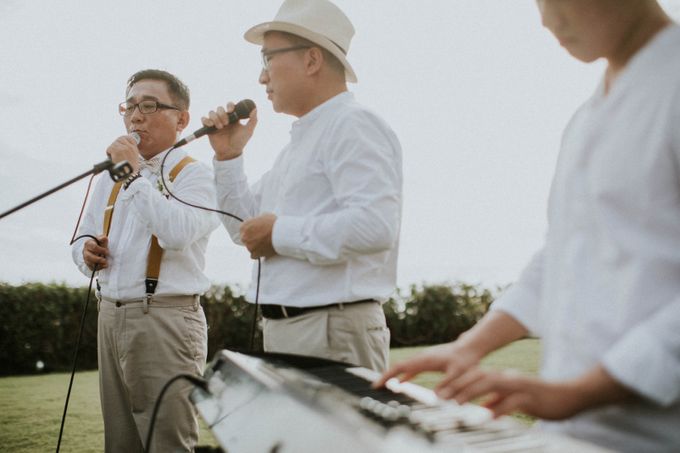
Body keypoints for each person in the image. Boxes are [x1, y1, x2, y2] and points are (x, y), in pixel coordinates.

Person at [376, 1, 680, 452]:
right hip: (569, 437)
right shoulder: (586, 118)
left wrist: (579, 393)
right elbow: (561, 256)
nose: (545, 18)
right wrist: (469, 346)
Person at [202, 0, 402, 372]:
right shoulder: (296, 146)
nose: (262, 77)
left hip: (331, 331)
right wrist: (228, 157)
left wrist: (279, 232)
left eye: (267, 59)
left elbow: (375, 227)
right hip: (292, 331)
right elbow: (242, 230)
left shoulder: (353, 124)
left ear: (311, 60)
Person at [71, 69, 219, 452]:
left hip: (165, 318)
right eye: (130, 106)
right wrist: (86, 254)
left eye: (149, 105)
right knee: (120, 443)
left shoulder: (196, 177)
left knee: (166, 441)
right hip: (109, 314)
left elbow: (177, 232)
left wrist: (133, 176)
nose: (135, 116)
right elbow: (81, 238)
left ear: (181, 118)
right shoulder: (108, 179)